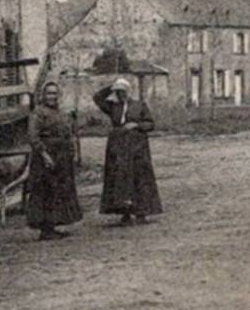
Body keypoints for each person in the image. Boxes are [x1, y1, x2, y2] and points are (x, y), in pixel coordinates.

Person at [95, 76, 162, 225]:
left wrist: (136, 125)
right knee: (120, 178)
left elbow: (150, 124)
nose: (121, 94)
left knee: (140, 177)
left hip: (138, 146)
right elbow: (97, 98)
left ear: (129, 91)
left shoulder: (139, 105)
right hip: (118, 146)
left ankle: (141, 213)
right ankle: (125, 214)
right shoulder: (113, 107)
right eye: (118, 92)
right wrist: (111, 86)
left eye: (124, 91)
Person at [27, 80, 83, 240]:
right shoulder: (38, 113)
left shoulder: (60, 113)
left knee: (59, 191)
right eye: (49, 93)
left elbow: (67, 133)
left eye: (55, 93)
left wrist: (71, 151)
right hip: (46, 156)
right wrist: (45, 155)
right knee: (46, 190)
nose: (52, 97)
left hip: (62, 157)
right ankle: (45, 229)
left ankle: (53, 226)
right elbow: (32, 136)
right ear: (43, 95)